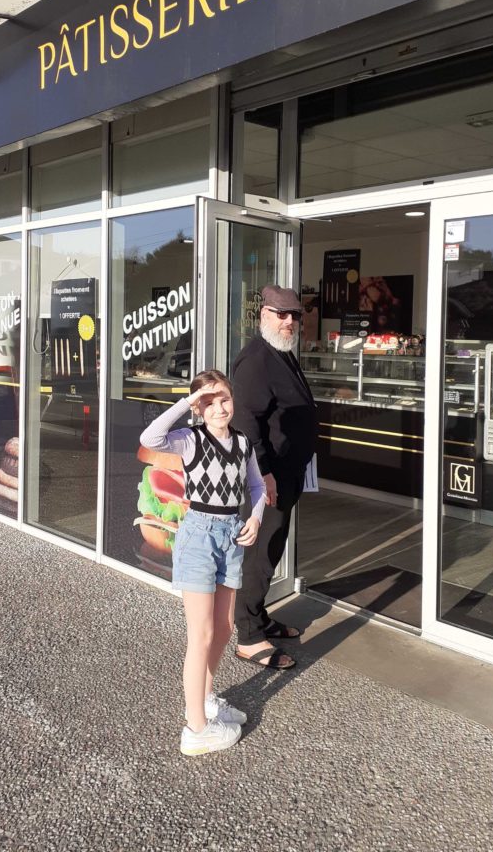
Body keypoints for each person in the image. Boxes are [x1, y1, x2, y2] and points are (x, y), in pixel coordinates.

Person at [139, 369, 266, 757]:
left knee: (224, 628)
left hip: (232, 534)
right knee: (202, 634)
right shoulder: (190, 439)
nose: (219, 408)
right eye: (208, 402)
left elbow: (257, 485)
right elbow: (150, 438)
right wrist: (186, 402)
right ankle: (196, 728)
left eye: (224, 398)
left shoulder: (242, 443)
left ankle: (207, 700)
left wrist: (256, 517)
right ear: (198, 408)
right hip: (198, 535)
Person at [231, 285, 319, 670]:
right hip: (267, 479)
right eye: (280, 314)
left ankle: (259, 616)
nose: (289, 321)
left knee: (272, 548)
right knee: (260, 555)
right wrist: (263, 474)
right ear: (263, 315)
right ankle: (249, 636)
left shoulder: (280, 353)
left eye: (294, 315)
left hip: (286, 473)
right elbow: (245, 424)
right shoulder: (255, 360)